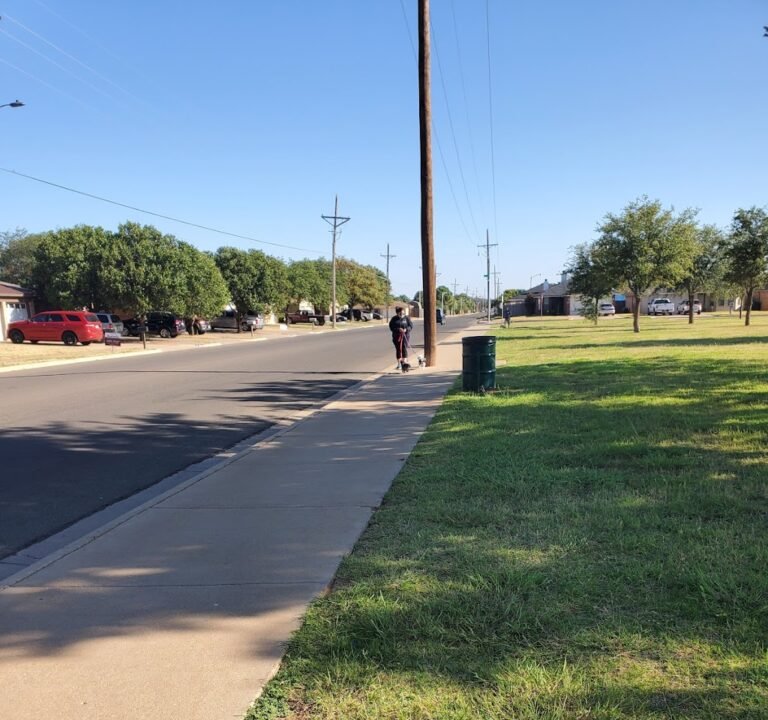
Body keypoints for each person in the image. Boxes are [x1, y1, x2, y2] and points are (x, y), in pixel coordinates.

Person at [388, 307, 413, 371]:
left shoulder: (407, 318)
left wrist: (406, 329)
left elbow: (411, 326)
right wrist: (398, 329)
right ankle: (399, 364)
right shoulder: (394, 319)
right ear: (397, 312)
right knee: (398, 349)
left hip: (405, 336)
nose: (402, 313)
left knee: (404, 348)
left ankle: (404, 363)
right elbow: (391, 327)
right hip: (397, 336)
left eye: (403, 312)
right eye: (400, 312)